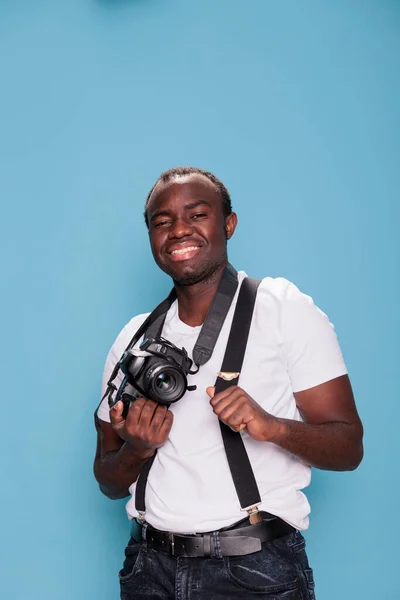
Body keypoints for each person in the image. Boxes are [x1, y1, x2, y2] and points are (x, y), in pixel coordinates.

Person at [93, 166, 363, 600]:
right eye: (162, 222)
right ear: (151, 238)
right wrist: (138, 448)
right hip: (149, 568)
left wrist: (272, 426)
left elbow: (349, 447)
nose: (179, 230)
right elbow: (106, 480)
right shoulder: (133, 339)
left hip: (253, 570)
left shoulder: (283, 309)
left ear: (229, 224)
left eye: (197, 215)